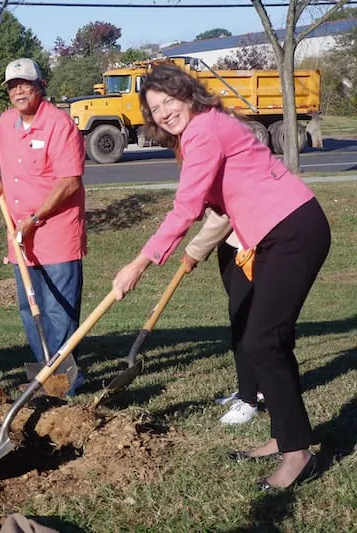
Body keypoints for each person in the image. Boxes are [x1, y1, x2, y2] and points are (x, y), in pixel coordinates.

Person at [112, 63, 330, 490]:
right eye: (155, 109)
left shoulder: (203, 131)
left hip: (293, 230)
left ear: (187, 94)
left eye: (169, 101)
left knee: (261, 340)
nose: (164, 113)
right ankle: (285, 437)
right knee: (269, 338)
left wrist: (139, 262)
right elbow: (218, 205)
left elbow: (187, 207)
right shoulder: (202, 130)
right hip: (272, 233)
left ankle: (298, 454)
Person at [0, 58, 86, 394]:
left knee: (59, 311)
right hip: (20, 238)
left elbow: (70, 182)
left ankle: (65, 382)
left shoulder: (59, 125)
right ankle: (45, 371)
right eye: (12, 86)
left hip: (55, 234)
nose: (18, 91)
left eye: (24, 84)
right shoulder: (6, 123)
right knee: (30, 310)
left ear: (40, 86)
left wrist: (34, 219)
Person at [183, 211, 263, 425]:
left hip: (249, 240)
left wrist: (195, 251)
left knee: (244, 318)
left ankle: (249, 400)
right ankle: (253, 388)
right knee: (240, 315)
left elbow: (226, 214)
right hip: (228, 240)